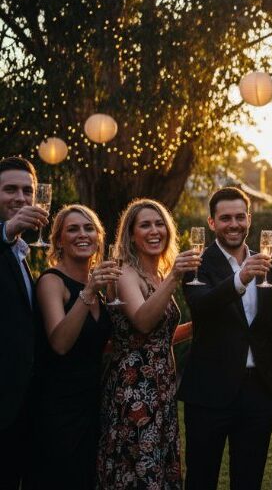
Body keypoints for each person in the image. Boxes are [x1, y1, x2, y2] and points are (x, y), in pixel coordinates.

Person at [179, 187, 272, 490]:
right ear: (212, 223)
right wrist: (240, 279)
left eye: (240, 217)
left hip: (258, 392)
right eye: (225, 218)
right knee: (201, 478)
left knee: (249, 479)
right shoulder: (196, 264)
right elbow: (202, 305)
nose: (234, 224)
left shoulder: (270, 266)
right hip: (209, 392)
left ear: (249, 219)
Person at [96, 198, 201, 489]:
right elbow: (142, 321)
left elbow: (158, 337)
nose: (155, 231)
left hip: (161, 385)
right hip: (134, 390)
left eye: (159, 224)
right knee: (138, 468)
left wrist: (196, 327)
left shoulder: (156, 274)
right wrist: (175, 277)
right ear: (130, 234)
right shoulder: (125, 272)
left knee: (158, 465)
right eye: (145, 225)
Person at [32, 205, 119, 489]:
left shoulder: (101, 285)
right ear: (58, 240)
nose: (82, 234)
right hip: (57, 407)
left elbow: (103, 345)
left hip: (93, 403)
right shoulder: (51, 282)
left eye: (88, 228)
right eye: (72, 229)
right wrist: (90, 291)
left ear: (98, 236)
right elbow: (60, 343)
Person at [0, 156, 48, 488]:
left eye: (27, 190)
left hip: (23, 404)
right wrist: (7, 231)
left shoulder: (20, 252)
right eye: (9, 190)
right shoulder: (7, 240)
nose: (20, 198)